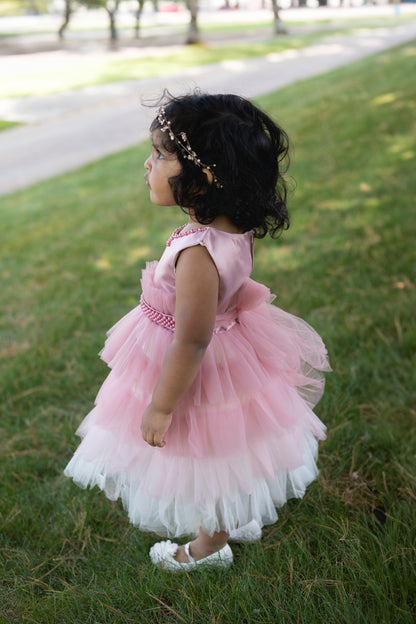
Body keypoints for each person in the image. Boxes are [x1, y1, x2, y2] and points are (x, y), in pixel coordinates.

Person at [64, 92, 331, 571]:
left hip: (195, 365)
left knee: (205, 450)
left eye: (161, 155)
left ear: (203, 178)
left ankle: (207, 547)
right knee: (231, 444)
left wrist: (161, 406)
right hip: (232, 355)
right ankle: (231, 512)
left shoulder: (197, 252)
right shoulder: (231, 229)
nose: (147, 166)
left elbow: (191, 339)